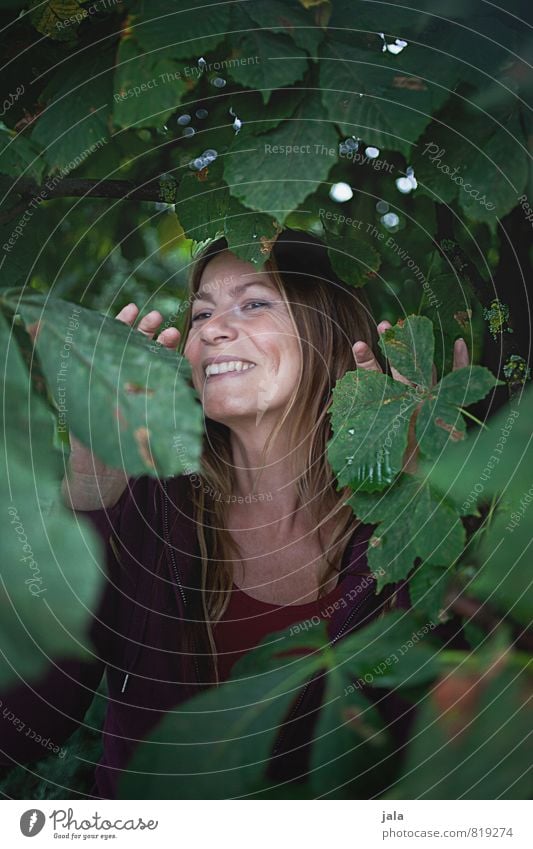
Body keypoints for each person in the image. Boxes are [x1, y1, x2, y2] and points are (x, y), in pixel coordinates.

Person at [0, 230, 469, 798]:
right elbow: (22, 729)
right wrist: (90, 490)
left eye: (254, 303)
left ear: (332, 330)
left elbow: (457, 732)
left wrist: (431, 497)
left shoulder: (404, 507)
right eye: (201, 314)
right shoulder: (148, 500)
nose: (212, 330)